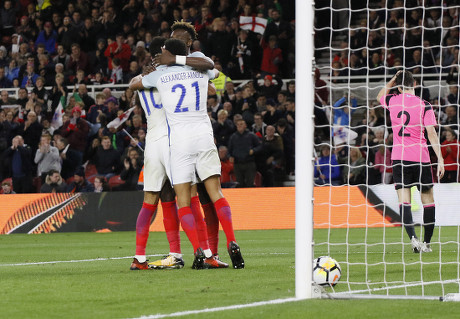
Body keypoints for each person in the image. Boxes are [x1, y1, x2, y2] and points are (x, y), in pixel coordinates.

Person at [130, 38, 244, 269]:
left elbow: (134, 84)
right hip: (179, 138)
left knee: (155, 201)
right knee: (194, 198)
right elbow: (211, 78)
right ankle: (205, 253)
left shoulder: (149, 78)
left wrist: (147, 71)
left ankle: (142, 256)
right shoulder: (193, 69)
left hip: (153, 142)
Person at [377, 70, 445, 253]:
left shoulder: (392, 100)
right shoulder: (424, 105)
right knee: (428, 200)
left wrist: (393, 79)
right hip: (421, 157)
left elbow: (379, 96)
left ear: (399, 87)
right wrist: (440, 159)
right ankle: (427, 243)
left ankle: (413, 239)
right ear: (415, 84)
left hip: (399, 157)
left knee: (404, 200)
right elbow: (431, 133)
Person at [228, 119, 262, 188]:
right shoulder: (233, 137)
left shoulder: (251, 135)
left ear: (245, 125)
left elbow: (260, 146)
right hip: (237, 163)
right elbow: (229, 150)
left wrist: (254, 150)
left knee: (250, 183)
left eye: (241, 124)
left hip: (249, 163)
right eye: (238, 124)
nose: (239, 126)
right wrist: (230, 156)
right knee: (239, 184)